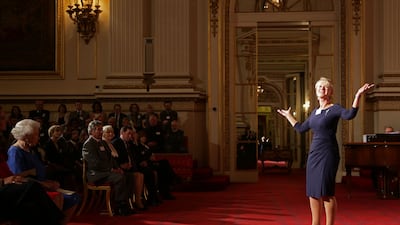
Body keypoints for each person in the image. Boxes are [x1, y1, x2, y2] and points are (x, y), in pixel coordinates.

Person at [277, 77, 374, 225]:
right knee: (313, 192)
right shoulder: (315, 112)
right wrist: (289, 116)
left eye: (325, 87)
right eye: (320, 87)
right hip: (314, 154)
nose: (322, 88)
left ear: (330, 92)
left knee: (326, 191)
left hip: (328, 153)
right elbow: (301, 129)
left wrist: (358, 95)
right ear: (316, 92)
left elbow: (350, 115)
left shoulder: (334, 108)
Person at [6, 119, 80, 223]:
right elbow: (18, 178)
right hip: (32, 190)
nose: (39, 137)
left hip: (41, 186)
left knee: (74, 197)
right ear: (27, 136)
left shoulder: (30, 149)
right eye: (36, 134)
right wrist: (44, 184)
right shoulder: (15, 152)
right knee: (61, 198)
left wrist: (48, 181)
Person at [82, 120, 134, 216]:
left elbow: (111, 159)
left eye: (101, 129)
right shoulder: (88, 144)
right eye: (98, 130)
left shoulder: (103, 142)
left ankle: (127, 203)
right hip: (96, 174)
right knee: (119, 178)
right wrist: (111, 169)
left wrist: (118, 168)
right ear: (91, 131)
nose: (101, 132)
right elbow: (95, 164)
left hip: (106, 172)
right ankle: (119, 206)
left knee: (129, 176)